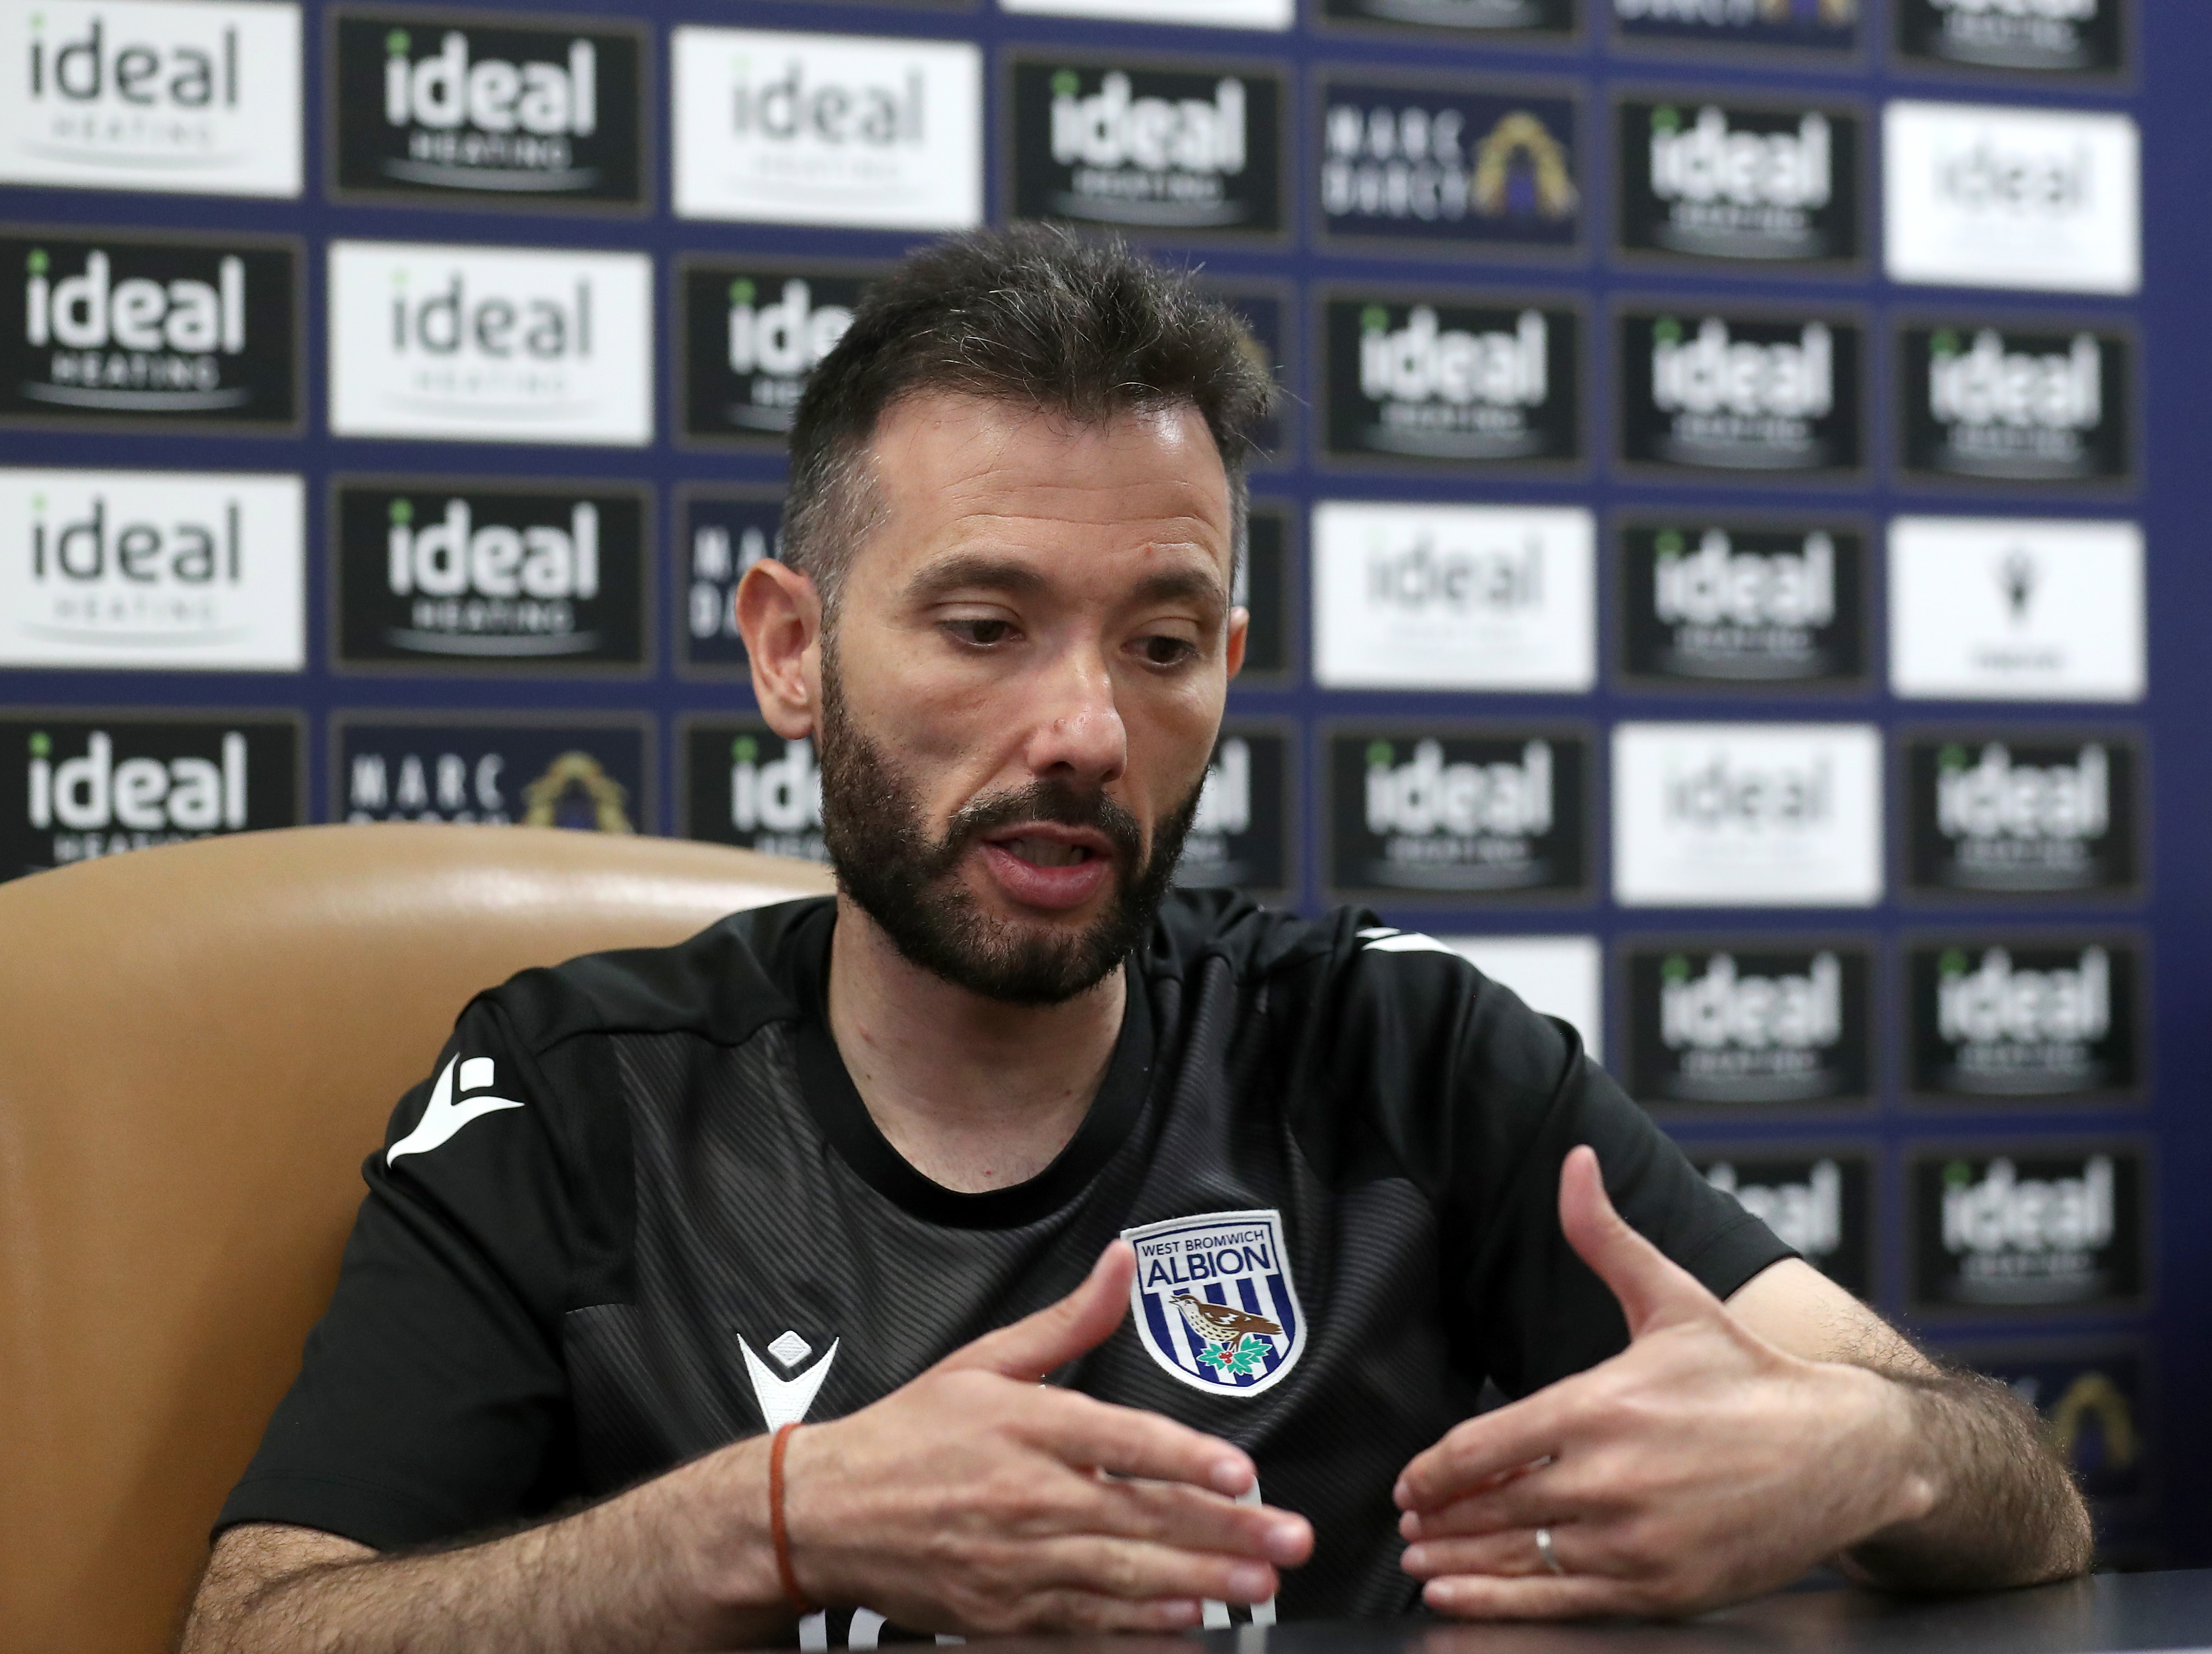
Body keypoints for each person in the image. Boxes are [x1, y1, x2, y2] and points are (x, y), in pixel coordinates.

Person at [183, 227, 2089, 1652]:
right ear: (790, 646)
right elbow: (259, 1625)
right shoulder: (574, 1093)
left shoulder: (1402, 1060)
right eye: (986, 622)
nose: (1089, 728)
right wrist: (774, 1520)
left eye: (1161, 644)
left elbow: (2027, 1496)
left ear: (1226, 669)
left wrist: (1870, 1456)